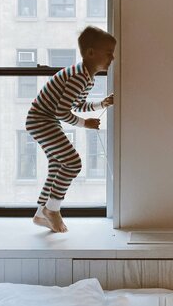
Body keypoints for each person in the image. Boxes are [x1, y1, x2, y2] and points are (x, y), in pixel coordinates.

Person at [26, 26, 116, 233]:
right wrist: (86, 124)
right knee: (73, 163)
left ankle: (41, 212)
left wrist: (101, 104)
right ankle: (52, 210)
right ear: (91, 53)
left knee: (58, 163)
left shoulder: (86, 76)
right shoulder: (78, 76)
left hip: (44, 120)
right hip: (42, 120)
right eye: (108, 53)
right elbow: (61, 111)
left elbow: (77, 105)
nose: (112, 58)